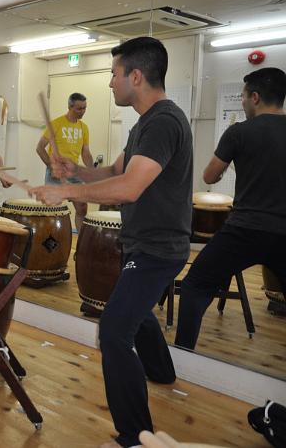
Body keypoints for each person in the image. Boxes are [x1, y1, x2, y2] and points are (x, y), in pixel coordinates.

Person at [29, 37, 192, 448]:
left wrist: (64, 194)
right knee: (133, 306)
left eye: (114, 73)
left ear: (136, 76)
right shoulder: (144, 124)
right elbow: (114, 173)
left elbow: (129, 188)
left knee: (115, 330)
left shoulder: (163, 122)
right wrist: (76, 172)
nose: (109, 83)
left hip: (159, 248)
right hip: (144, 244)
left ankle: (134, 437)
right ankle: (161, 371)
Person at [175, 67, 286, 350]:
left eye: (244, 97)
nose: (243, 102)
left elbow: (210, 176)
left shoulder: (239, 132)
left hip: (245, 230)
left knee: (194, 286)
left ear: (256, 97)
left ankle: (185, 353)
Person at [35, 92, 93, 231]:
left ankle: (80, 242)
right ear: (70, 107)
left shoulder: (84, 128)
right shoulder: (56, 124)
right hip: (55, 175)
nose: (82, 111)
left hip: (74, 174)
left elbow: (85, 152)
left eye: (84, 108)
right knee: (54, 211)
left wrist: (92, 172)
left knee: (82, 207)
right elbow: (40, 148)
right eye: (79, 108)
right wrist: (51, 166)